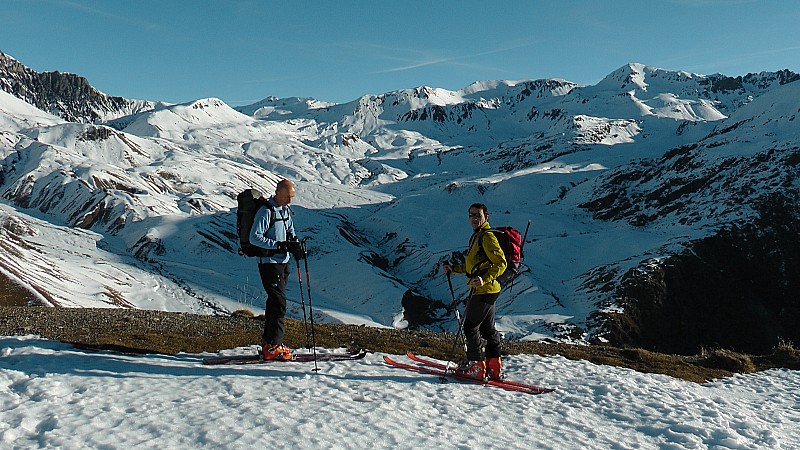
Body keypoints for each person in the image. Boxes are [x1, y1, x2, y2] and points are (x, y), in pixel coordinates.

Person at [443, 203, 507, 380]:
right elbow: (473, 266)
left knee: (471, 327)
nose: (474, 219)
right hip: (487, 290)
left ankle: (477, 367)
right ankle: (494, 368)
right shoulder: (477, 236)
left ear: (486, 216)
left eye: (478, 215)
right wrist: (454, 269)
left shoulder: (487, 237)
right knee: (487, 330)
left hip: (483, 290)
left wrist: (483, 279)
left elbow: (501, 263)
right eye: (471, 215)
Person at [249, 179, 304, 360]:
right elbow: (254, 237)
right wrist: (279, 246)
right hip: (269, 263)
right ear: (278, 193)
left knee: (274, 303)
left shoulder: (285, 211)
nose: (289, 200)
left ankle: (268, 343)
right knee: (279, 303)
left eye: (291, 197)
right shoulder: (266, 212)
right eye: (287, 197)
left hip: (282, 262)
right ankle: (274, 345)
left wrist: (295, 245)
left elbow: (291, 232)